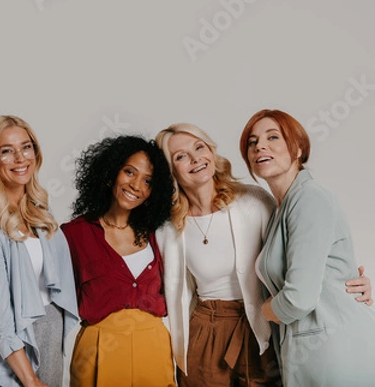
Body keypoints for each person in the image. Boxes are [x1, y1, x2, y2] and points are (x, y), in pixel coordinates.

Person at [155, 123, 372, 387]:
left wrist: (347, 279)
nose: (195, 158)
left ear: (211, 152)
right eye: (180, 156)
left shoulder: (255, 201)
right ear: (171, 170)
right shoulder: (167, 228)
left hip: (263, 327)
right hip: (205, 330)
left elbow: (298, 252)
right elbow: (164, 290)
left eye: (199, 147)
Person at [239, 109, 375, 386]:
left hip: (335, 351)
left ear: (298, 149)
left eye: (272, 137)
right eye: (252, 142)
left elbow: (299, 297)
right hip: (313, 349)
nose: (260, 146)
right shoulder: (281, 208)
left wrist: (263, 312)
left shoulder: (309, 198)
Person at [61, 135, 176, 387]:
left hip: (153, 349)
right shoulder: (73, 234)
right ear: (111, 172)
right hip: (99, 350)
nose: (136, 185)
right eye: (129, 172)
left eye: (148, 181)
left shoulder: (159, 234)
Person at [0, 115, 78, 387]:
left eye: (26, 146)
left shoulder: (41, 212)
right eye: (6, 151)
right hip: (12, 351)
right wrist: (30, 379)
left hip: (50, 335)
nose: (20, 158)